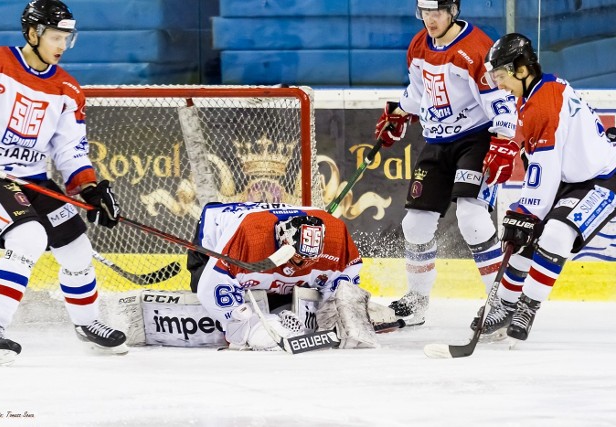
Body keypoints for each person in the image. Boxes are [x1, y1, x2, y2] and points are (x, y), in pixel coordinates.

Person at [0, 0, 126, 365]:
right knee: (28, 237)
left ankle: (87, 324)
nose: (61, 45)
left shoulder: (68, 88)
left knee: (75, 246)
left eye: (66, 38)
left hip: (31, 179)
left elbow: (69, 148)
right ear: (32, 33)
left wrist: (90, 187)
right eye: (55, 36)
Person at [374, 0, 516, 325]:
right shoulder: (418, 45)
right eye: (425, 12)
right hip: (437, 141)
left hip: (475, 139)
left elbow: (501, 101)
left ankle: (500, 302)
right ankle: (417, 300)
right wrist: (399, 112)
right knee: (415, 224)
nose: (430, 19)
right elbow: (418, 90)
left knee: (471, 216)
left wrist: (505, 142)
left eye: (437, 12)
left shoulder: (476, 48)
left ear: (453, 11)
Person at [479, 33, 616, 341]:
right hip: (569, 179)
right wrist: (528, 214)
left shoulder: (543, 103)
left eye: (501, 75)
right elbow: (546, 166)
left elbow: (547, 163)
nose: (498, 83)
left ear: (522, 70)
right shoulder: (536, 95)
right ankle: (505, 305)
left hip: (601, 178)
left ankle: (527, 306)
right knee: (524, 239)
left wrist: (527, 210)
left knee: (554, 233)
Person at [193, 202, 388, 351]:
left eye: (309, 259)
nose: (303, 264)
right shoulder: (251, 236)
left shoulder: (336, 236)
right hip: (215, 236)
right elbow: (209, 287)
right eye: (297, 257)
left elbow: (345, 279)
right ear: (283, 239)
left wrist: (347, 310)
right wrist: (248, 325)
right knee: (209, 293)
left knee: (285, 301)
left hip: (267, 229)